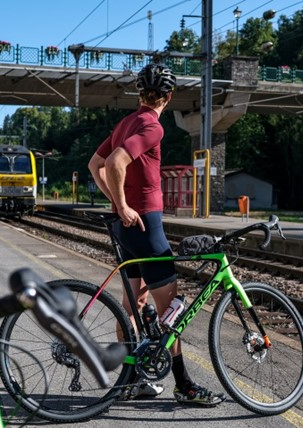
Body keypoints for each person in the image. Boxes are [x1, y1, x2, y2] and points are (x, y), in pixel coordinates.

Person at [88, 64, 224, 406]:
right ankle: (185, 385)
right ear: (169, 96)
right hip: (145, 226)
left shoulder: (124, 124)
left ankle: (131, 380)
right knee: (172, 307)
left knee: (132, 306)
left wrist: (117, 205)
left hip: (128, 230)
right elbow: (116, 163)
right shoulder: (152, 125)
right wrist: (122, 205)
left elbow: (95, 164)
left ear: (140, 92)